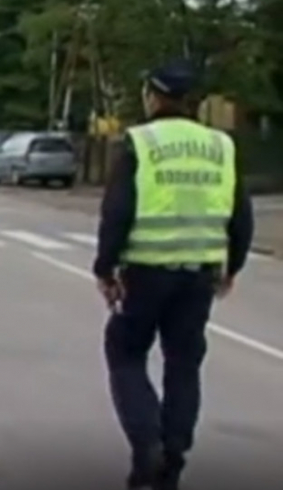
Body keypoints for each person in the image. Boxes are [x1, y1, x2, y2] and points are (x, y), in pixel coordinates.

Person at [93, 59, 254, 490]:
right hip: (199, 275)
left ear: (153, 96)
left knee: (125, 353)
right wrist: (233, 265)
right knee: (183, 364)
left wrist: (105, 267)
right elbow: (240, 214)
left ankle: (147, 443)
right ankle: (173, 457)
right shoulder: (221, 145)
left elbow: (117, 212)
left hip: (144, 272)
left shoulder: (139, 143)